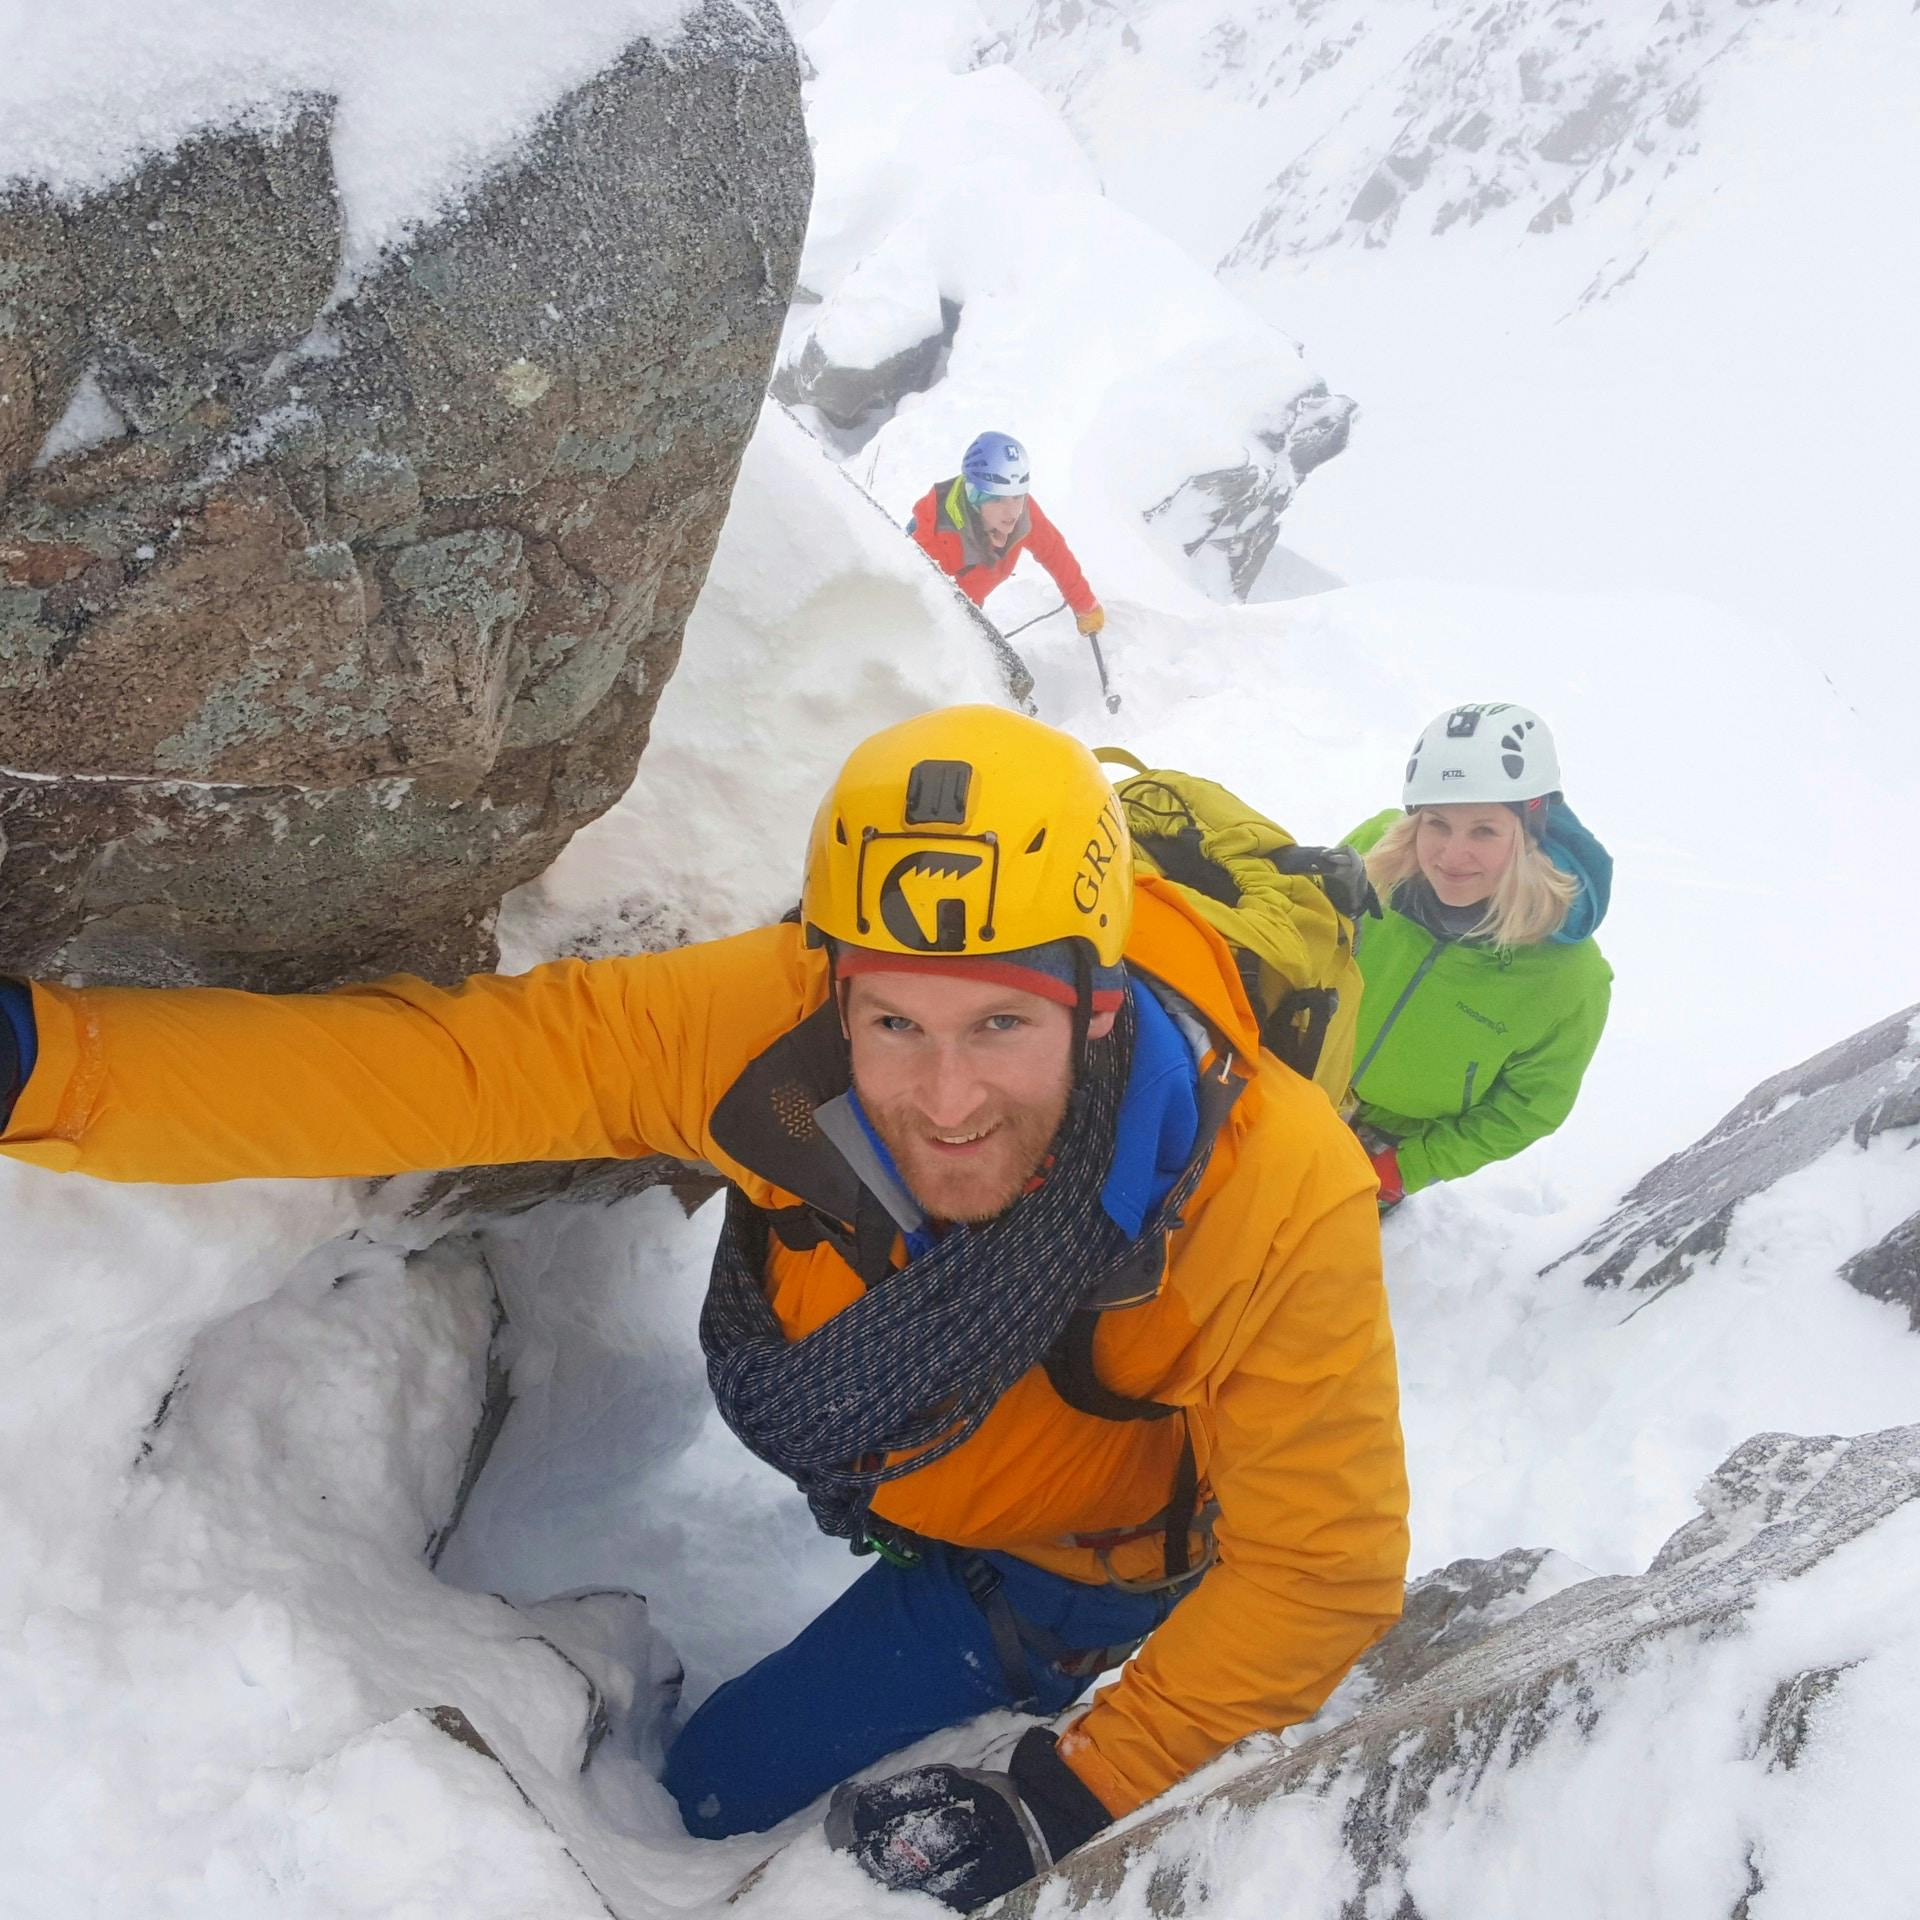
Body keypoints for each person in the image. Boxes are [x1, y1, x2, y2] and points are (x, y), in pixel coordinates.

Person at [0, 707, 1407, 1912]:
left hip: (1061, 1571)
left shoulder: (1268, 1188)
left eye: (1000, 1025)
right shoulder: (766, 1031)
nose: (948, 1099)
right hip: (910, 1469)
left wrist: (1074, 1785)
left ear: (1096, 1009)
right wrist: (49, 1064)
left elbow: (1320, 1568)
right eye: (896, 1025)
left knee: (717, 1791)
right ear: (831, 983)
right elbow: (451, 1071)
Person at [1343, 702, 1613, 1211]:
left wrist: (1407, 1167)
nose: (1451, 855)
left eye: (1484, 830)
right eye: (1437, 824)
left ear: (1529, 829)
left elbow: (1528, 1108)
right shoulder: (1373, 857)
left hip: (1392, 1139)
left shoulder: (1568, 978)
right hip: (1299, 1079)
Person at [907, 431, 1107, 638]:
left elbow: (1054, 551)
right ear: (974, 496)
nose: (1012, 512)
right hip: (933, 611)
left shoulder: (1023, 514)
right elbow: (918, 605)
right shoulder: (933, 536)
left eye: (1018, 496)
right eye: (997, 500)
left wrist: (1085, 604)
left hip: (969, 602)